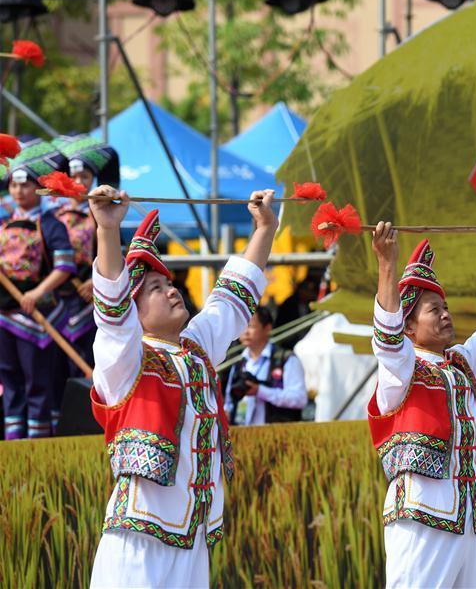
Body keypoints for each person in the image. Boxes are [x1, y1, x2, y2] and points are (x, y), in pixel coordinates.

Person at [87, 186, 277, 588]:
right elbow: (111, 315)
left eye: (169, 284)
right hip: (139, 536)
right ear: (134, 313)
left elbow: (232, 300)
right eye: (155, 289)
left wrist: (264, 229)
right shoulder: (125, 359)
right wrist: (107, 231)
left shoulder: (195, 349)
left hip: (193, 537)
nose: (172, 289)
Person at [368, 222, 476, 587]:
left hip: (469, 518)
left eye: (445, 307)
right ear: (410, 327)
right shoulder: (401, 370)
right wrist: (387, 265)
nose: (446, 314)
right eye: (435, 310)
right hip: (421, 516)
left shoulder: (461, 363)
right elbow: (387, 339)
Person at [0, 139, 75, 439]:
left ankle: (39, 445)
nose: (19, 191)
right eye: (14, 185)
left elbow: (64, 266)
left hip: (37, 316)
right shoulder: (3, 225)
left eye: (26, 185)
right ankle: (12, 446)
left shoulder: (50, 223)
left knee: (37, 383)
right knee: (10, 381)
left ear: (38, 187)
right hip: (6, 315)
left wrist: (36, 293)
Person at [52, 134, 121, 373]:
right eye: (74, 176)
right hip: (55, 296)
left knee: (88, 356)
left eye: (85, 176)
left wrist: (95, 280)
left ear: (93, 180)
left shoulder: (102, 212)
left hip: (88, 295)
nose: (78, 181)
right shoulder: (51, 213)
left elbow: (114, 250)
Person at [224, 305, 307, 425]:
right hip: (242, 437)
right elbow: (229, 402)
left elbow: (299, 399)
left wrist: (260, 391)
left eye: (251, 326)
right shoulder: (238, 362)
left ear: (267, 328)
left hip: (277, 436)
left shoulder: (286, 359)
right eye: (242, 326)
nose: (245, 332)